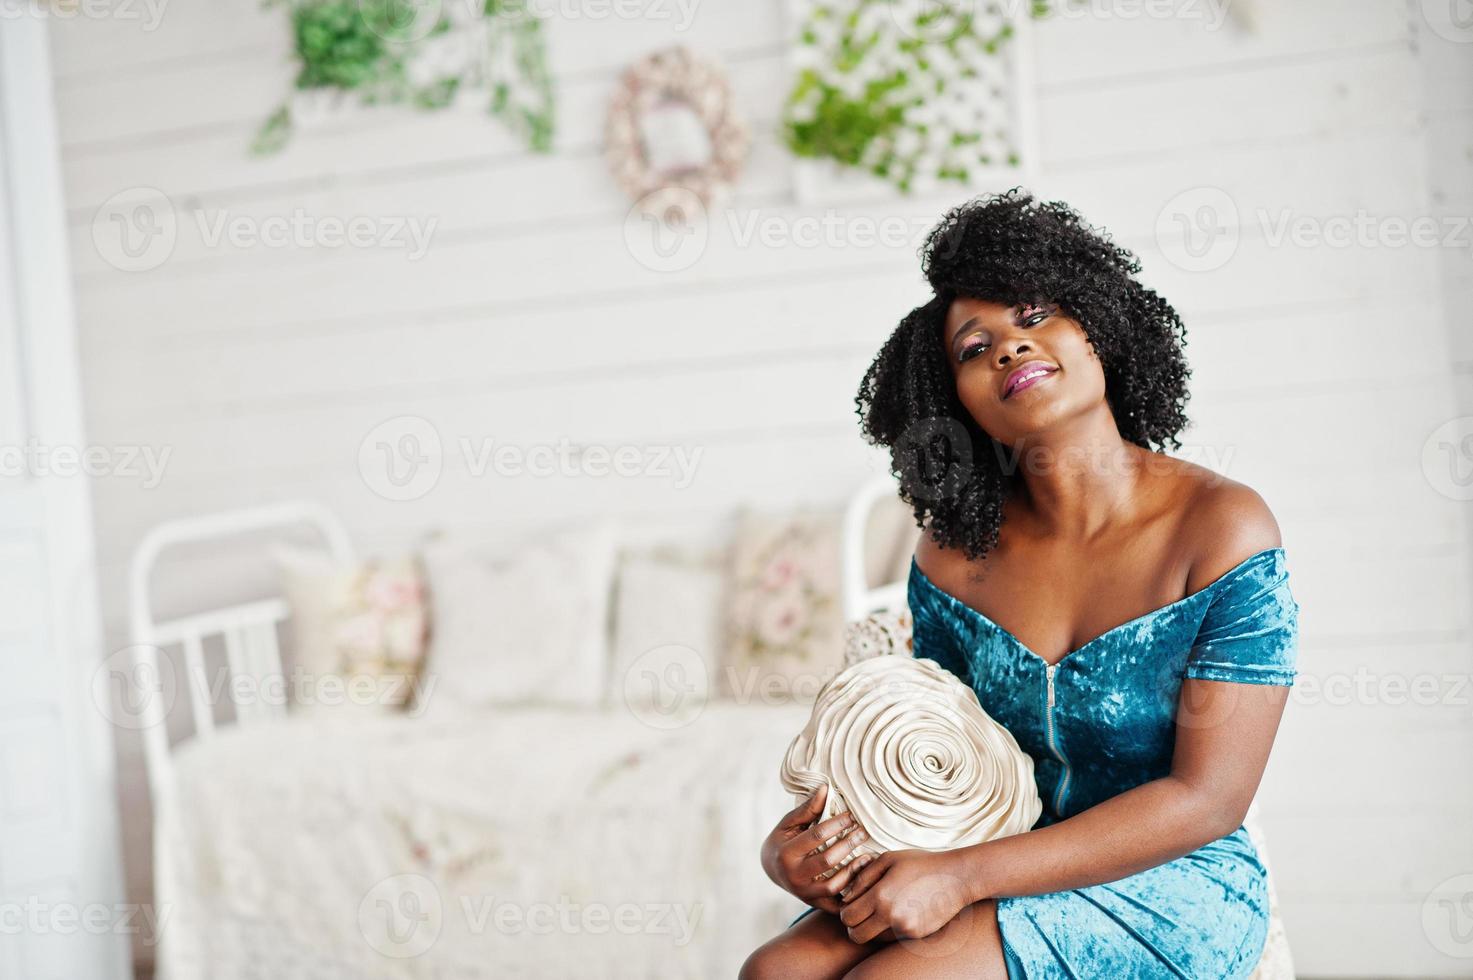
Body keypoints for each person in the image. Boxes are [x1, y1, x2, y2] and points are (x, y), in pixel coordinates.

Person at [741, 189, 1300, 979]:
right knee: (775, 971)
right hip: (995, 850)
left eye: (1034, 315)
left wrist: (963, 878)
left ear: (1096, 326)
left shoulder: (1221, 528)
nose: (1008, 346)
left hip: (1166, 879)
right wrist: (787, 854)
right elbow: (936, 756)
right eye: (974, 347)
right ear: (955, 405)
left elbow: (1207, 799)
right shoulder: (950, 556)